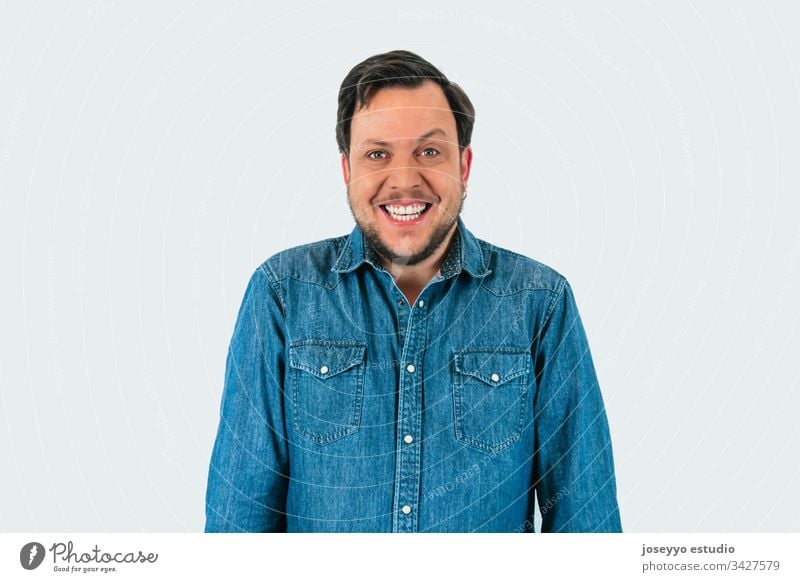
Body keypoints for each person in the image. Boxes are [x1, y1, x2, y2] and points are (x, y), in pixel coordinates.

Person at [204, 49, 622, 533]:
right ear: (348, 171)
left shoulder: (539, 302)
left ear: (463, 166)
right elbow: (239, 515)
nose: (404, 180)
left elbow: (585, 516)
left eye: (429, 152)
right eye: (377, 154)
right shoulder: (282, 294)